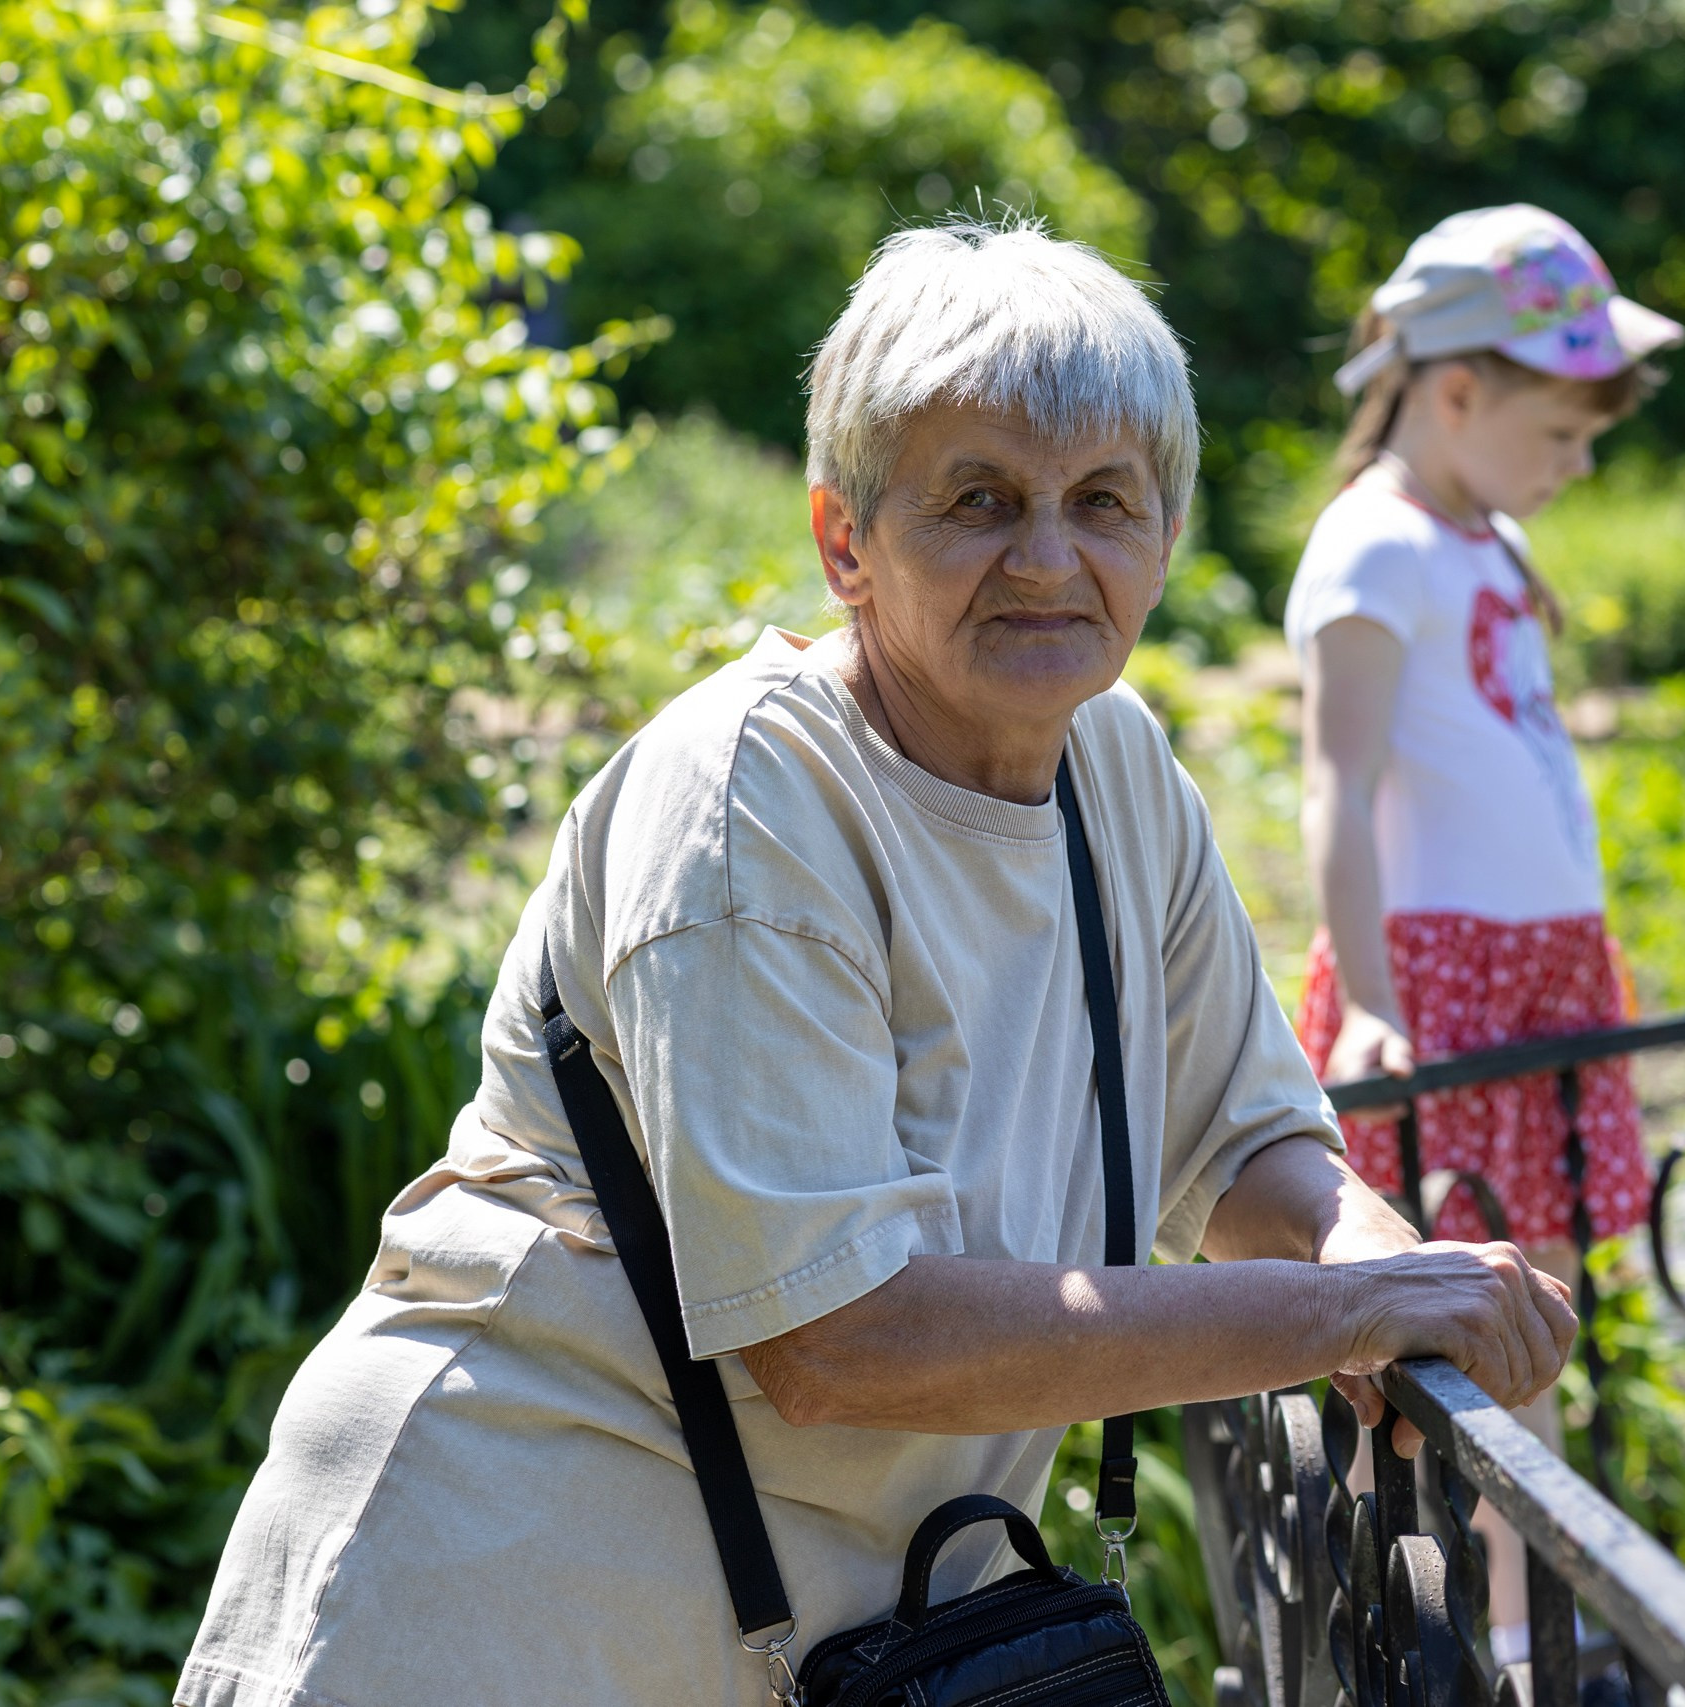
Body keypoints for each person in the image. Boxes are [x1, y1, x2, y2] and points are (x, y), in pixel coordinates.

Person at [174, 219, 1578, 1707]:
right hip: (493, 1615)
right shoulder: (749, 807)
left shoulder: (1114, 765)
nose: (1049, 559)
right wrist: (1340, 1317)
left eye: (1104, 501)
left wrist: (1360, 1246)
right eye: (979, 502)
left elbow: (1237, 1137)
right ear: (847, 541)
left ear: (1166, 538)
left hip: (819, 1633)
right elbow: (840, 1336)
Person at [1286, 203, 1682, 1667]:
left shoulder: (1485, 535)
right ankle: (1473, 1648)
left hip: (1538, 980)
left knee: (1535, 1323)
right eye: (1563, 431)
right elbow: (1341, 783)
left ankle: (1532, 1637)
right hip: (1443, 982)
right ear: (1458, 391)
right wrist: (1374, 999)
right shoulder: (1376, 547)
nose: (1579, 465)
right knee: (1440, 1340)